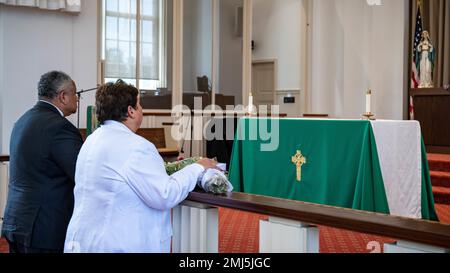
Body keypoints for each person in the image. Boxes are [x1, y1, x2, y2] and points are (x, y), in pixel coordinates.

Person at [64, 80, 217, 253]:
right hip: (117, 243)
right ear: (131, 111)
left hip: (85, 240)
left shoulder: (92, 139)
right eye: (139, 105)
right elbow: (165, 194)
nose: (142, 110)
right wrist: (197, 167)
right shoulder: (136, 146)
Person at [1, 71, 83, 253]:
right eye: (75, 94)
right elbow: (82, 174)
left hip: (16, 219)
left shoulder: (22, 121)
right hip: (43, 228)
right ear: (63, 96)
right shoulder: (61, 128)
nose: (77, 100)